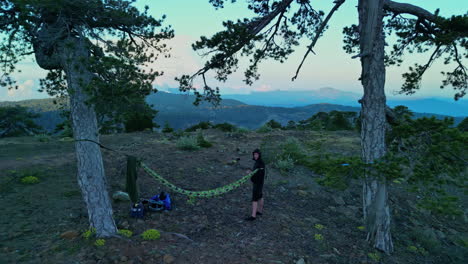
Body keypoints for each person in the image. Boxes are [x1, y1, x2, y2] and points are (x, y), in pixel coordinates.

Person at [245, 148, 265, 221]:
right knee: (260, 196)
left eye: (257, 154)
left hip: (258, 183)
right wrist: (251, 171)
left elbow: (259, 173)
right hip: (260, 183)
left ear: (259, 155)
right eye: (254, 154)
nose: (255, 156)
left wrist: (250, 173)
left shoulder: (260, 163)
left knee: (254, 199)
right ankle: (259, 211)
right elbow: (257, 171)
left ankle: (253, 216)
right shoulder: (259, 162)